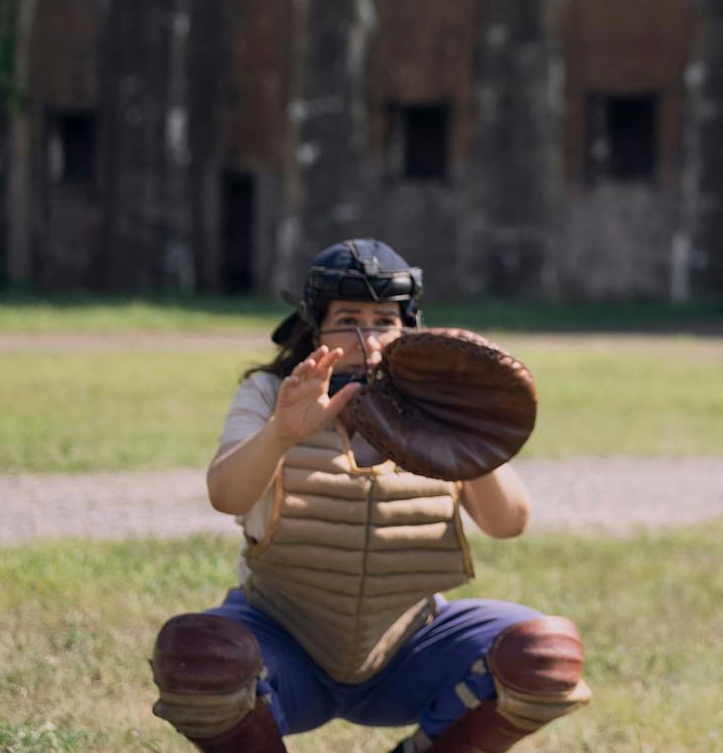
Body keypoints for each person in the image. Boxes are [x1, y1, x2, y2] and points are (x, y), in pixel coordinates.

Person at [148, 239, 590, 752]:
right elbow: (226, 494)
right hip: (283, 634)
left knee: (545, 653)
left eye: (384, 320)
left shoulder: (436, 407)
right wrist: (282, 433)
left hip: (410, 642)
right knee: (199, 656)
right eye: (348, 319)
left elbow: (509, 523)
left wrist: (465, 436)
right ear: (316, 327)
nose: (367, 337)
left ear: (408, 327)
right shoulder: (272, 393)